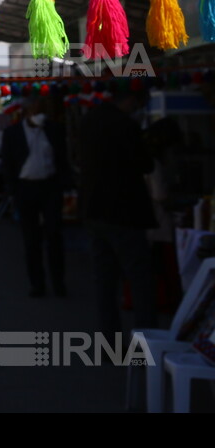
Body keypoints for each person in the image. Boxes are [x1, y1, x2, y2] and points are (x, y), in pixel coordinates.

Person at [75, 85, 157, 335]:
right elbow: (145, 164)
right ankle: (145, 343)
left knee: (105, 281)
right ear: (132, 100)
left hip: (93, 209)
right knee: (140, 280)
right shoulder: (126, 126)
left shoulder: (89, 120)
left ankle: (107, 342)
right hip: (125, 212)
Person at [2, 95, 71, 298]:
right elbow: (8, 163)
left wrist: (64, 184)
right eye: (36, 109)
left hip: (50, 187)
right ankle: (37, 283)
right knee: (31, 239)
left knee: (54, 236)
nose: (40, 113)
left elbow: (61, 158)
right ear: (26, 110)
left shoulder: (53, 130)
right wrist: (13, 190)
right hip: (26, 188)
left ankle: (58, 282)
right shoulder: (13, 133)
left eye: (42, 109)